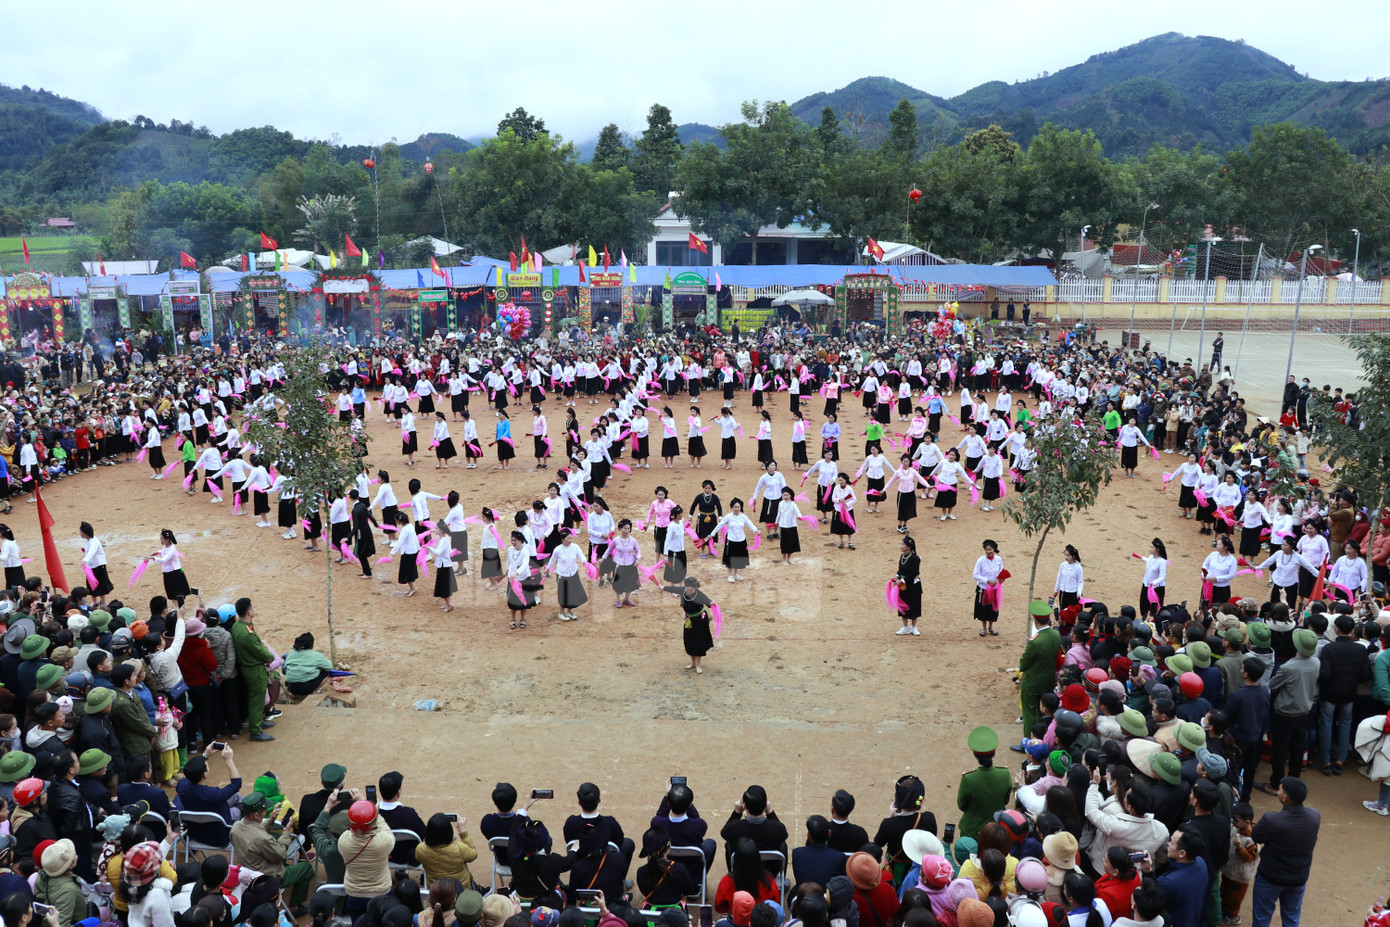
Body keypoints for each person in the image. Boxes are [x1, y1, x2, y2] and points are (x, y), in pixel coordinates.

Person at [1249, 777, 1319, 927]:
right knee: (1291, 919)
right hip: (1298, 879)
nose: (1278, 791)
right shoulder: (1314, 816)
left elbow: (1256, 836)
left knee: (1261, 919)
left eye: (1280, 789)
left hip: (1270, 878)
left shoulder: (1272, 819)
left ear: (1285, 797)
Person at [230, 791, 315, 914]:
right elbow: (280, 854)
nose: (266, 811)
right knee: (306, 868)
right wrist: (286, 833)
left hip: (248, 871)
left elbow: (252, 831)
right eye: (264, 810)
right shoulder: (263, 839)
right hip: (269, 878)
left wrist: (270, 820)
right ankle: (295, 907)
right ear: (256, 815)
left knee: (278, 851)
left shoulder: (236, 827)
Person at [1264, 629, 1319, 794]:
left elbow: (1272, 685)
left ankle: (1276, 784)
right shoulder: (1316, 663)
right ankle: (1293, 782)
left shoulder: (1289, 667)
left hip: (1285, 713)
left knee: (1280, 750)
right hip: (1303, 711)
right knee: (1297, 749)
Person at [175, 745, 242, 850]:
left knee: (235, 797)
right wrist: (229, 760)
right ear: (205, 774)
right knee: (237, 810)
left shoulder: (181, 786)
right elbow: (236, 784)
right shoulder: (214, 794)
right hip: (220, 837)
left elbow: (189, 774)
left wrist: (205, 755)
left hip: (195, 834)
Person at [229, 598, 276, 742]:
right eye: (253, 607)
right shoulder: (247, 634)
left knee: (256, 698)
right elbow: (259, 652)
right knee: (257, 699)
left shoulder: (238, 626)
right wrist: (270, 656)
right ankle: (255, 730)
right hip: (254, 669)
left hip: (247, 667)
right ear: (249, 612)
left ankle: (258, 722)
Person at [339, 800, 395, 919]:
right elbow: (386, 830)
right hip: (380, 891)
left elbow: (352, 831)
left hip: (354, 892)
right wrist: (376, 814)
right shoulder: (383, 842)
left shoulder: (343, 841)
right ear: (373, 823)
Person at [956, 727, 1011, 842]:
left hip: (972, 830)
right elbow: (1005, 801)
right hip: (996, 829)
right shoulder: (1004, 774)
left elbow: (962, 806)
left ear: (975, 755)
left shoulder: (968, 778)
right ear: (994, 753)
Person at [718, 785, 788, 869]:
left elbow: (724, 833)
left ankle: (733, 874)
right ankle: (782, 876)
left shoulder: (734, 828)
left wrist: (737, 812)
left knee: (729, 845)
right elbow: (783, 834)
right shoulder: (776, 829)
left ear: (744, 806)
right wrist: (770, 812)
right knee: (783, 845)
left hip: (742, 871)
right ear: (765, 805)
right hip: (770, 872)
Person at [1018, 601, 1061, 736]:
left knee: (1030, 714)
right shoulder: (1056, 635)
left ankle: (1029, 740)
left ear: (1035, 621)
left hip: (1032, 683)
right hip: (1047, 679)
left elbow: (1023, 665)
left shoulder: (1035, 642)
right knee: (1043, 712)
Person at [661, 577, 716, 674]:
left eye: (691, 590)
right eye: (687, 589)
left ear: (695, 588)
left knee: (698, 642)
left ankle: (698, 665)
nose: (689, 591)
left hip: (699, 621)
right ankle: (692, 663)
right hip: (688, 620)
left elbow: (707, 601)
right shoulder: (683, 591)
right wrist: (663, 587)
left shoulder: (699, 594)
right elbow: (673, 588)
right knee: (689, 641)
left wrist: (711, 603)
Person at [415, 812, 479, 889]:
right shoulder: (459, 849)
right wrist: (462, 830)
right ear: (449, 831)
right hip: (460, 891)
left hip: (436, 891)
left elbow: (419, 858)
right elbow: (473, 854)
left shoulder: (420, 849)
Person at [791, 815, 846, 889]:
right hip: (829, 895)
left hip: (803, 894)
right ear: (829, 833)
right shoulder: (839, 857)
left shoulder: (797, 853)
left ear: (809, 836)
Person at [971, 540, 1006, 637]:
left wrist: (1001, 578)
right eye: (986, 550)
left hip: (995, 588)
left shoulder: (998, 559)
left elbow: (1001, 571)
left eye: (990, 549)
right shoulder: (980, 560)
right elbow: (975, 575)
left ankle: (991, 627)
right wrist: (987, 580)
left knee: (993, 608)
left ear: (994, 549)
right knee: (983, 608)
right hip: (983, 588)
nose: (988, 552)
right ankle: (983, 628)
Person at [893, 536, 923, 636]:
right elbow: (900, 569)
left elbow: (914, 573)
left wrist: (902, 580)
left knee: (914, 604)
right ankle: (905, 627)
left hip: (913, 586)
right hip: (903, 586)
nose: (901, 546)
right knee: (903, 603)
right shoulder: (902, 556)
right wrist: (897, 576)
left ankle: (913, 627)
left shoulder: (915, 558)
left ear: (909, 547)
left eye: (903, 544)